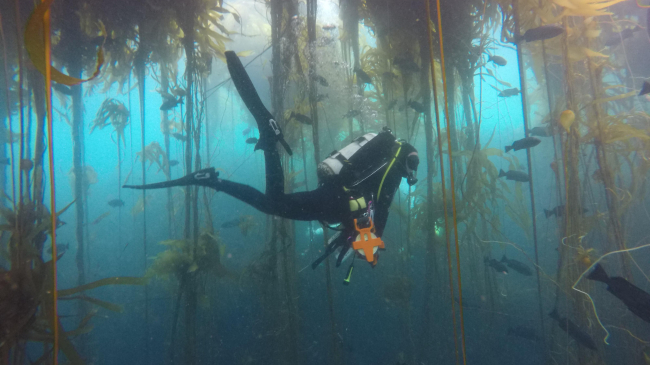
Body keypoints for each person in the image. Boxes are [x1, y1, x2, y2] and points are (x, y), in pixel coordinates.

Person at [124, 51, 419, 278]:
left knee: (272, 202)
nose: (412, 173)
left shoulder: (383, 159)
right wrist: (372, 244)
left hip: (333, 193)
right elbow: (381, 206)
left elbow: (367, 207)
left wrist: (354, 235)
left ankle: (233, 163)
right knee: (273, 203)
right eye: (413, 166)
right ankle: (261, 141)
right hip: (336, 199)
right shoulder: (392, 167)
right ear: (407, 158)